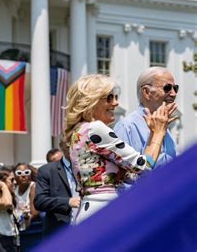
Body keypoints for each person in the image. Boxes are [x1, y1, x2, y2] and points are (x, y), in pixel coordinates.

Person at [63, 74, 174, 224]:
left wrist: (153, 133)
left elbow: (134, 175)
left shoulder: (80, 130)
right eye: (109, 98)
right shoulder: (96, 128)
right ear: (92, 101)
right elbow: (144, 166)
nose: (116, 103)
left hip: (90, 210)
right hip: (105, 213)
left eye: (116, 97)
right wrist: (159, 132)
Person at [114, 67, 178, 167]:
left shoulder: (165, 126)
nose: (173, 94)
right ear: (147, 92)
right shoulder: (126, 127)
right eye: (167, 88)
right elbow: (123, 176)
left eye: (175, 88)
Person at [35, 139, 81, 236]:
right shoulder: (47, 171)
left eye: (75, 142)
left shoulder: (91, 166)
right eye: (68, 144)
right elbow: (40, 201)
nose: (71, 147)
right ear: (61, 145)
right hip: (59, 233)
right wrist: (67, 202)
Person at [13, 163, 39, 230]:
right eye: (19, 173)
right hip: (16, 227)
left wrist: (22, 220)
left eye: (26, 172)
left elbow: (34, 213)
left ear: (30, 174)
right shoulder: (14, 188)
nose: (23, 175)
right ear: (15, 176)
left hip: (31, 227)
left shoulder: (33, 187)